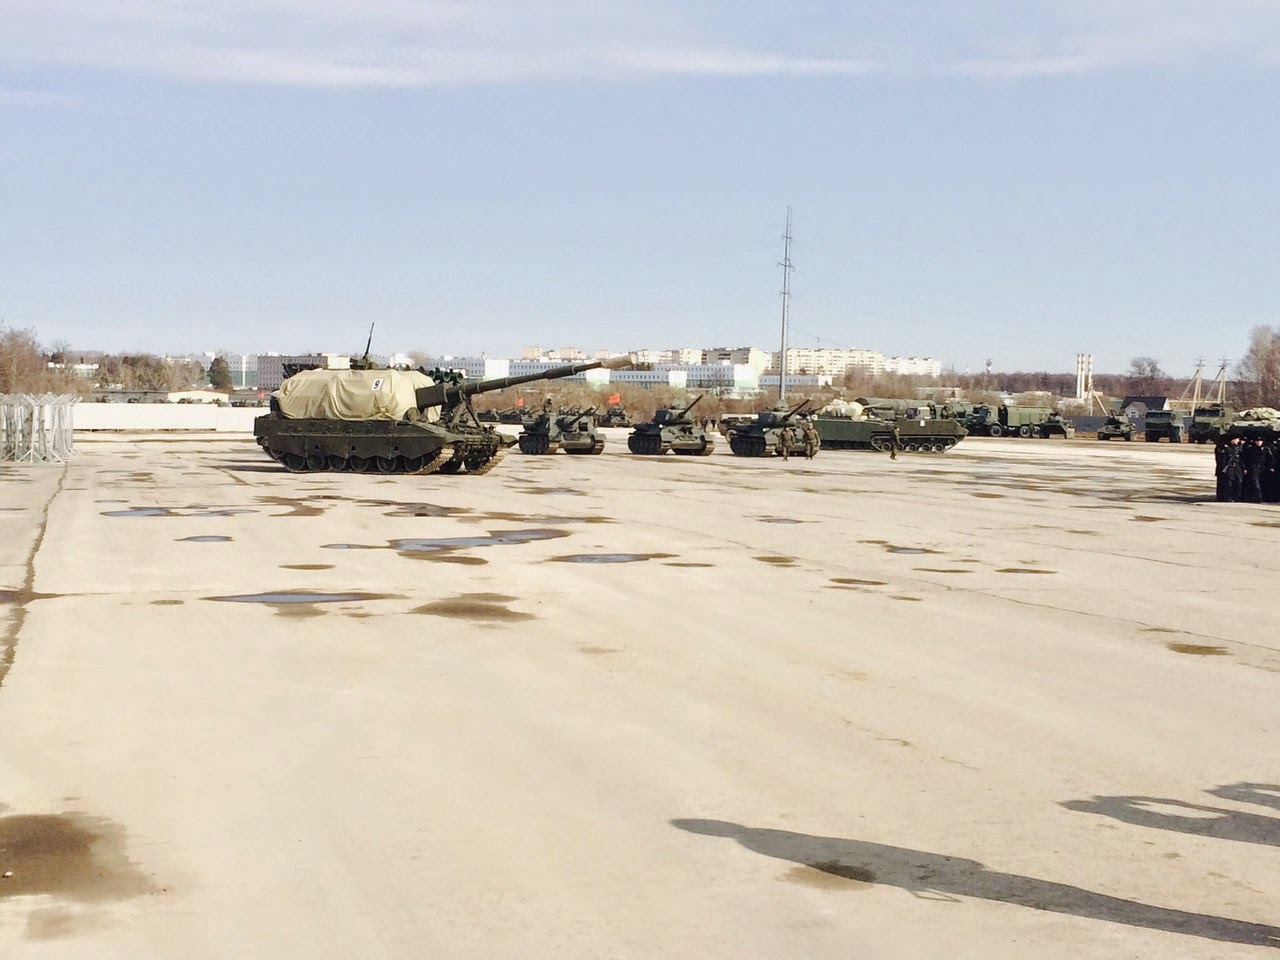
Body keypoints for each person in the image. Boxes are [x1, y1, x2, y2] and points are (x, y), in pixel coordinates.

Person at [1222, 436, 1245, 502]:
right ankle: (1229, 497)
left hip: (1237, 467)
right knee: (1229, 483)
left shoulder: (1239, 448)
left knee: (1239, 482)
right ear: (1233, 440)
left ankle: (1237, 497)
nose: (1238, 441)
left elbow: (1241, 459)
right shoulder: (1227, 448)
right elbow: (1224, 459)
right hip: (1230, 467)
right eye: (1237, 439)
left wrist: (1244, 468)